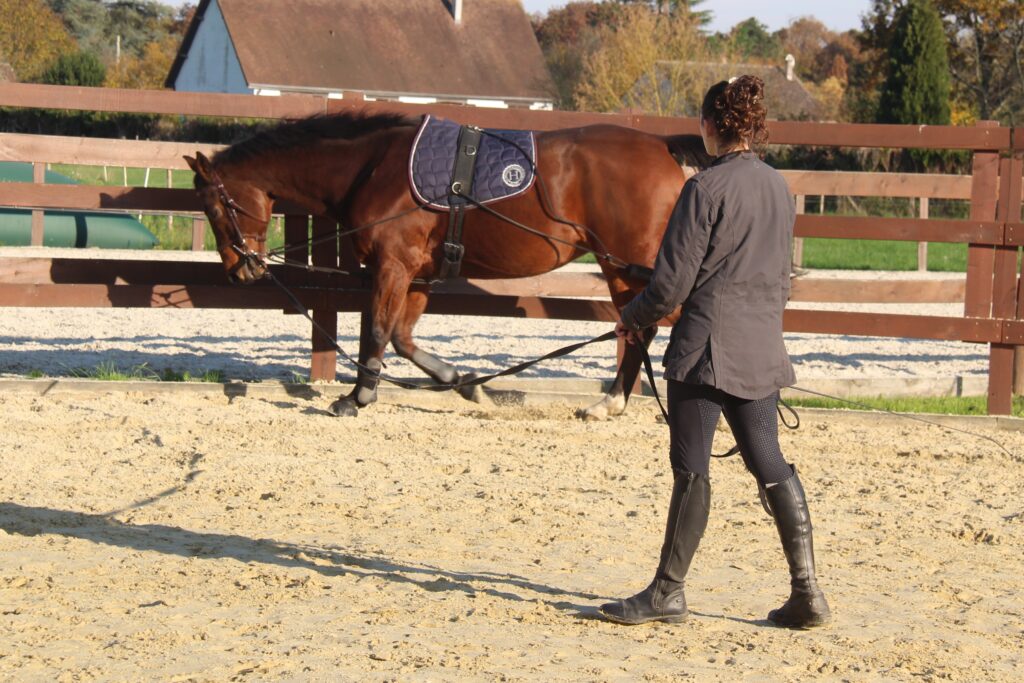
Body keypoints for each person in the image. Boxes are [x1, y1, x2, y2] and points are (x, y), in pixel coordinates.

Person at [598, 76, 831, 629]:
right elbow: (780, 275)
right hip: (760, 349)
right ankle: (808, 591)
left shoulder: (703, 190)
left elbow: (671, 287)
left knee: (692, 471)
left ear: (710, 127)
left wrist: (631, 320)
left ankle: (667, 593)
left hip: (703, 354)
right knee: (769, 462)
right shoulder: (779, 188)